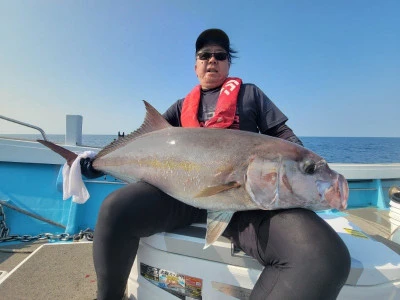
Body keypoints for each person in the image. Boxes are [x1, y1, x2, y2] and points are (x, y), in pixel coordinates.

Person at [84, 28, 351, 300]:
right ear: (196, 64)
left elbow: (285, 137)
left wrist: (309, 171)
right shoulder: (179, 108)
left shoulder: (250, 95)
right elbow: (145, 142)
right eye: (204, 55)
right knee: (115, 209)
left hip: (246, 202)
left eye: (220, 55)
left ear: (228, 63)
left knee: (322, 257)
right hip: (181, 196)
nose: (212, 60)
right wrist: (95, 161)